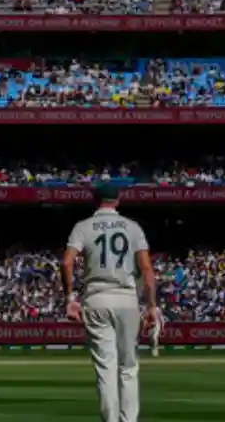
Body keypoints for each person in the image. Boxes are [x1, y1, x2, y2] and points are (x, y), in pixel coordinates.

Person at [63, 180, 160, 422]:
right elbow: (146, 269)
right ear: (118, 201)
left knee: (106, 367)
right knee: (128, 367)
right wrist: (151, 306)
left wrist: (70, 298)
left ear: (96, 201)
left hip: (96, 297)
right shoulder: (133, 227)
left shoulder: (83, 227)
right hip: (126, 298)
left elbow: (66, 262)